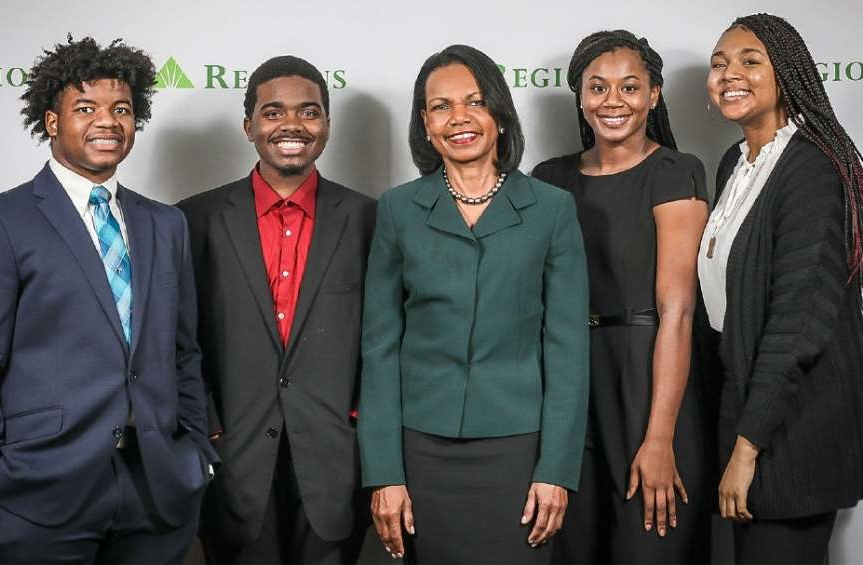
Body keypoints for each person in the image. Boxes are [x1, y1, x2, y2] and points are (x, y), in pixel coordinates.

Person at [0, 36, 216, 563]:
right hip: (38, 493)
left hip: (157, 491)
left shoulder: (166, 225)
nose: (107, 121)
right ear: (52, 122)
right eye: (85, 108)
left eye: (121, 109)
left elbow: (184, 350)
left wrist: (197, 454)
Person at [357, 44, 590, 564]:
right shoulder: (398, 209)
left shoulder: (551, 209)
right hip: (421, 448)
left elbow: (569, 349)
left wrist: (556, 469)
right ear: (424, 122)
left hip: (518, 448)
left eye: (475, 102)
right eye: (440, 106)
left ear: (499, 115)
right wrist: (385, 473)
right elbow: (379, 348)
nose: (458, 118)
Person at [177, 55, 376, 564]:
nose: (292, 125)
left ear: (327, 125)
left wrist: (358, 419)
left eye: (309, 112)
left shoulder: (368, 218)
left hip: (337, 458)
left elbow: (385, 337)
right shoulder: (193, 219)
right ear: (249, 126)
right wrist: (209, 422)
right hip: (233, 456)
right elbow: (177, 337)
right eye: (273, 112)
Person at [532, 30, 711, 564]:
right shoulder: (548, 179)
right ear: (580, 97)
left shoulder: (676, 171)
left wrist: (661, 439)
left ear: (654, 95)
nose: (614, 100)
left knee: (648, 545)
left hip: (648, 380)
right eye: (598, 87)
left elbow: (676, 313)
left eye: (630, 87)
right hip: (569, 384)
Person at [699, 13, 863, 564]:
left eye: (750, 61)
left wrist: (749, 449)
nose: (730, 74)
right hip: (748, 406)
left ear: (787, 74)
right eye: (719, 63)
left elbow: (797, 323)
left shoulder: (811, 168)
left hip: (793, 428)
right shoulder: (734, 163)